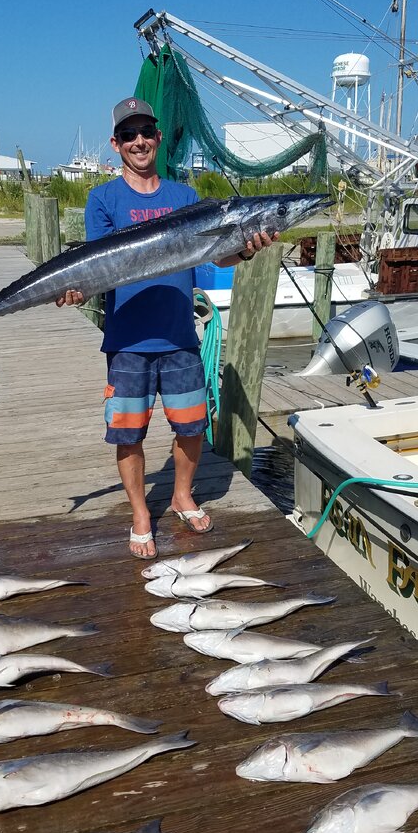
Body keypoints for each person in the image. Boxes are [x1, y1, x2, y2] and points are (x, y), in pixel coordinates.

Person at [58, 98, 277, 559]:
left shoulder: (185, 197)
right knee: (128, 434)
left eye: (146, 132)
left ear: (158, 138)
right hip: (128, 342)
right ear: (116, 144)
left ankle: (180, 496)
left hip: (179, 337)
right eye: (129, 135)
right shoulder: (103, 199)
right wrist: (76, 289)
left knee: (191, 426)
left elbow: (217, 256)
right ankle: (141, 514)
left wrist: (247, 248)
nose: (139, 141)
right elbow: (97, 266)